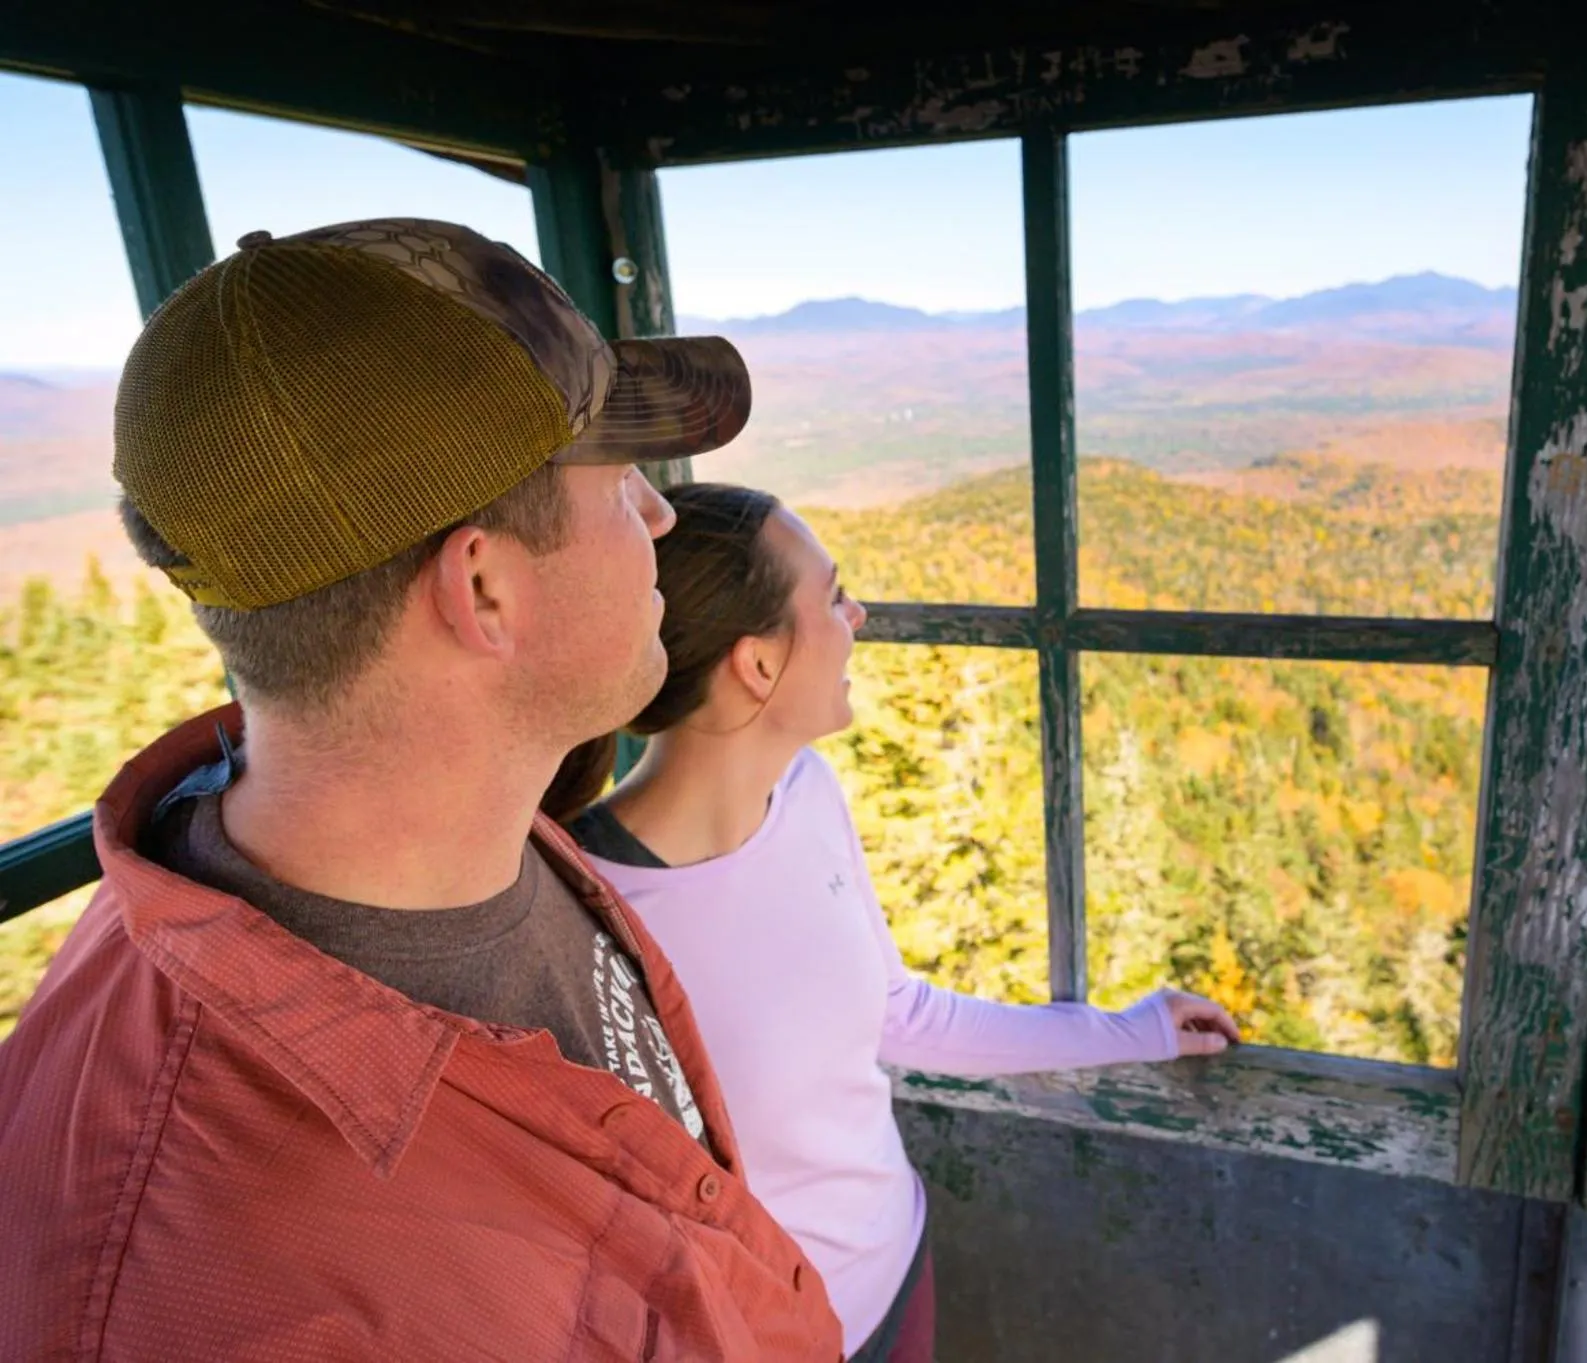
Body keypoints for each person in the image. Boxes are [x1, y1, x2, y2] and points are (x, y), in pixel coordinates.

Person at [0, 221, 842, 1361]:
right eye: (623, 482)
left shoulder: (494, 835)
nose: (658, 518)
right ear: (484, 586)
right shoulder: (194, 1281)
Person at [545, 483, 1243, 1363]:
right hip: (758, 1341)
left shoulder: (808, 796)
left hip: (898, 1273)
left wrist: (1135, 1030)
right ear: (757, 665)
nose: (858, 614)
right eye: (833, 595)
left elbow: (900, 1013)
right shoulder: (582, 905)